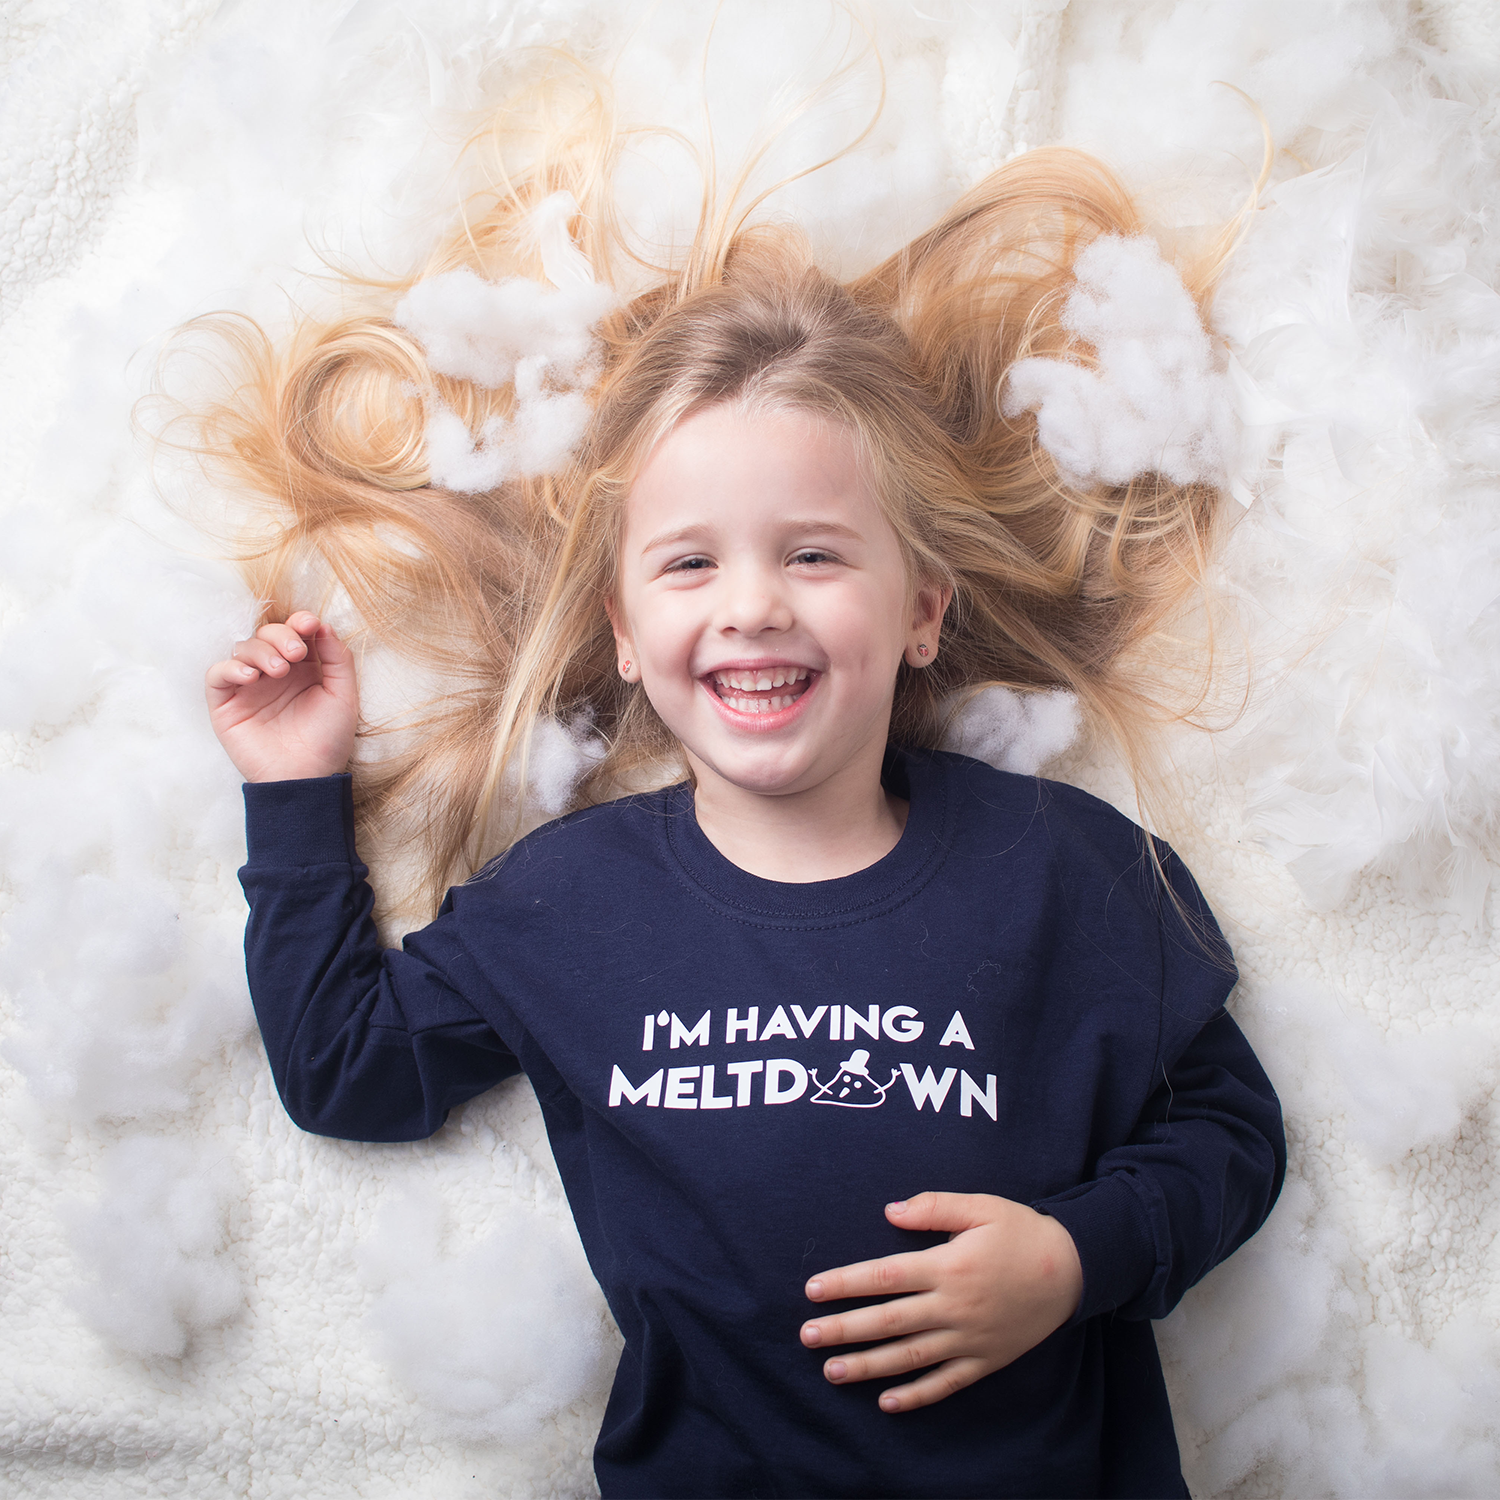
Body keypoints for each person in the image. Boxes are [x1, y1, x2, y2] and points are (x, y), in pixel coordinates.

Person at [196, 60, 1283, 1500]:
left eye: (815, 553)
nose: (753, 605)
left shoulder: (1065, 869)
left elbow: (1232, 1129)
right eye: (691, 562)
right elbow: (349, 1073)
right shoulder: (569, 903)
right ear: (627, 641)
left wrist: (1078, 1258)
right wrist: (294, 791)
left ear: (923, 613)